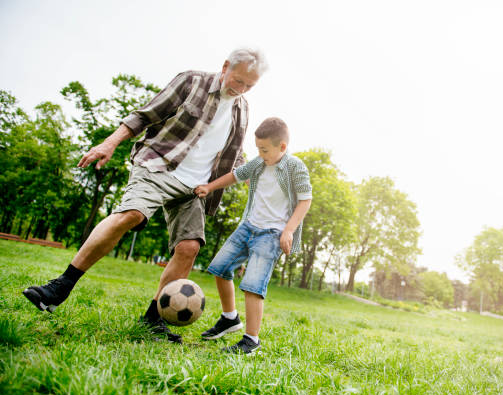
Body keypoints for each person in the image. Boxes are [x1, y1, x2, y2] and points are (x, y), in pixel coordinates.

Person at [22, 48, 268, 344]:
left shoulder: (242, 108)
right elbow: (144, 116)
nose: (240, 89)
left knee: (189, 247)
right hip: (159, 165)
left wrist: (244, 176)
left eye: (249, 86)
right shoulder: (191, 82)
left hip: (196, 186)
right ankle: (58, 288)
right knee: (133, 214)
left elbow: (234, 152)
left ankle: (153, 321)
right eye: (238, 80)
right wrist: (109, 143)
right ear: (226, 66)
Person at [194, 117, 312, 354]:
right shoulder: (258, 163)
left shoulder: (295, 167)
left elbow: (305, 200)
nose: (260, 153)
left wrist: (288, 230)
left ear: (282, 147)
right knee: (220, 267)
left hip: (272, 234)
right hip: (248, 226)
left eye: (265, 149)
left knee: (253, 285)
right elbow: (235, 175)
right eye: (257, 148)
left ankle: (251, 340)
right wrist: (210, 187)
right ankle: (230, 318)